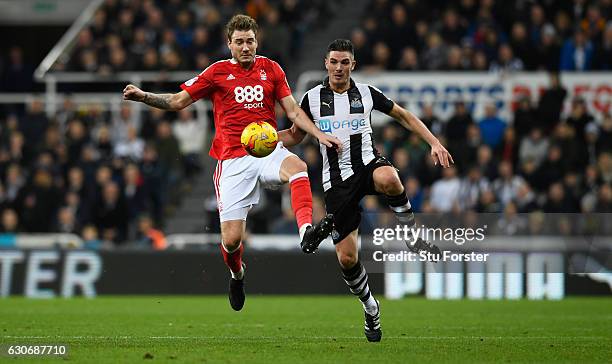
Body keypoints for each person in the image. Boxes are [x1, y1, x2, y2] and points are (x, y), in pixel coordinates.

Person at [123, 14, 341, 311]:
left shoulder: (272, 69)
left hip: (266, 150)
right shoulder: (217, 73)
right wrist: (143, 96)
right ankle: (237, 274)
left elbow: (291, 111)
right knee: (231, 240)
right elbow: (177, 102)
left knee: (299, 169)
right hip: (232, 160)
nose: (245, 47)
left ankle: (306, 232)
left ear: (257, 41)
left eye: (250, 41)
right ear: (229, 44)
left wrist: (317, 134)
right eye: (239, 42)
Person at [281, 39, 453, 342]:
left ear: (353, 65)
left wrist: (434, 142)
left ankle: (412, 236)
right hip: (336, 182)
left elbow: (404, 116)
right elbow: (296, 136)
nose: (338, 68)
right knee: (347, 258)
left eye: (344, 62)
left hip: (368, 164)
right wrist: (267, 138)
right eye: (334, 61)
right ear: (326, 63)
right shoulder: (310, 98)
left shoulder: (366, 93)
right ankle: (370, 307)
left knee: (390, 178)